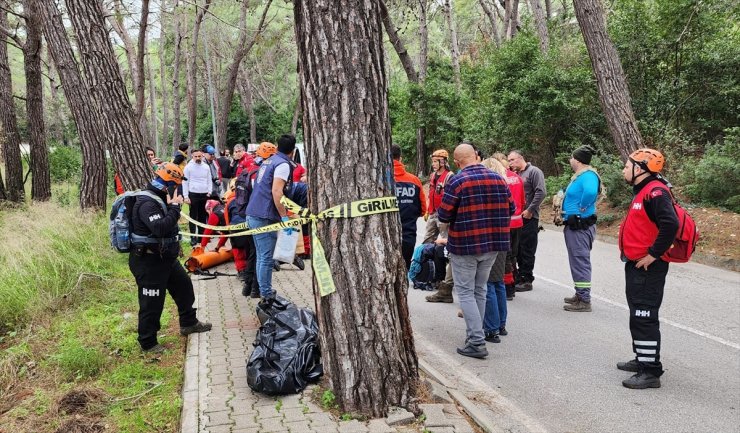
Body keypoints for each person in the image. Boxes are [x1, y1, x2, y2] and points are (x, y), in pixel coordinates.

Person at [438, 143, 514, 359]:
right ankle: (477, 335)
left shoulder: (458, 181)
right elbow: (511, 208)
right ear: (476, 157)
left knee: (465, 291)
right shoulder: (498, 178)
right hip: (493, 244)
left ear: (457, 161)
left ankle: (476, 340)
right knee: (480, 289)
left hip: (466, 244)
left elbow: (443, 215)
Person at [128, 162, 212, 353]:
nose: (178, 189)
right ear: (168, 183)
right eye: (177, 185)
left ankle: (189, 323)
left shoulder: (159, 197)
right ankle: (148, 342)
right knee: (151, 303)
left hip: (164, 258)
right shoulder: (147, 202)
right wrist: (175, 207)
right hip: (148, 261)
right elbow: (159, 227)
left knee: (184, 287)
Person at [617, 148, 678, 389]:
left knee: (644, 315)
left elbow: (670, 223)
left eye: (627, 165)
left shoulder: (655, 191)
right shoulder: (644, 189)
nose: (624, 169)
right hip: (636, 265)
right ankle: (642, 359)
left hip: (647, 268)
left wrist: (653, 254)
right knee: (637, 313)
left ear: (640, 169)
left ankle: (650, 371)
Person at [245, 134, 297, 299]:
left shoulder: (269, 161)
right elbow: (276, 191)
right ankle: (266, 294)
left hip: (254, 211)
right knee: (265, 257)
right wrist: (284, 217)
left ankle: (263, 290)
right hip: (264, 215)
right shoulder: (282, 164)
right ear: (293, 151)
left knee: (261, 255)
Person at [561, 146, 601, 312]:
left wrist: (583, 206)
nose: (570, 161)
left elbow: (591, 191)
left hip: (580, 226)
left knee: (580, 260)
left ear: (576, 160)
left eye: (571, 158)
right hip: (573, 225)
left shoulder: (588, 175)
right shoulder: (581, 176)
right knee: (576, 261)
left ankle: (585, 300)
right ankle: (580, 293)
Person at [507, 150, 545, 292]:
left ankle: (527, 279)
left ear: (520, 158)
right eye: (508, 160)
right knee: (518, 249)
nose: (510, 163)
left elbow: (541, 192)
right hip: (518, 218)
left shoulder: (534, 172)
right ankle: (519, 276)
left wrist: (530, 210)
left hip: (530, 217)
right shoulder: (516, 174)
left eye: (512, 160)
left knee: (528, 249)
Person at [494, 152, 525, 301]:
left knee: (504, 256)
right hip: (518, 221)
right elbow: (522, 200)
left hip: (505, 222)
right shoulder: (517, 178)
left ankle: (507, 287)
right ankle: (512, 283)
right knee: (513, 254)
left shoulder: (499, 179)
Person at [392, 144, 427, 269]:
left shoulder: (380, 180)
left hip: (386, 235)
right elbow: (423, 209)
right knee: (404, 268)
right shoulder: (414, 180)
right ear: (400, 158)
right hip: (408, 233)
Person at [183, 149, 213, 246]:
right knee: (193, 217)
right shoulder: (188, 167)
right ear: (192, 156)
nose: (197, 158)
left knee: (202, 217)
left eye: (199, 156)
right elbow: (185, 182)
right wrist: (186, 196)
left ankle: (201, 237)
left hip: (204, 194)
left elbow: (209, 179)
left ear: (202, 156)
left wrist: (209, 191)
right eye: (195, 156)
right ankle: (193, 237)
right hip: (193, 194)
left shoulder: (206, 167)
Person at [423, 149, 452, 244]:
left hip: (443, 215)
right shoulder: (432, 176)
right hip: (432, 213)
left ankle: (447, 257)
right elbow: (430, 195)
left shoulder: (449, 176)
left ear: (442, 162)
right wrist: (428, 210)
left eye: (435, 161)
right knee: (427, 240)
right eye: (433, 162)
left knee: (446, 240)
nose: (433, 164)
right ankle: (426, 257)